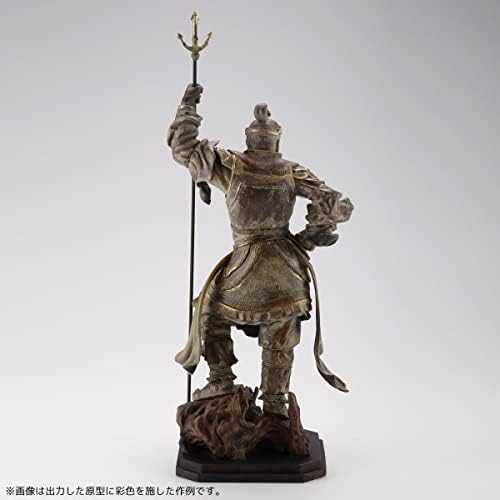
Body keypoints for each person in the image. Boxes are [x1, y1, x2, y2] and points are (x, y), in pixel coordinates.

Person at [167, 84, 353, 418]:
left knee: (208, 311)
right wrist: (310, 236)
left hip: (245, 266)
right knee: (279, 333)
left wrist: (187, 109)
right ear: (276, 141)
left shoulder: (231, 165)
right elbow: (336, 203)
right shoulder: (292, 171)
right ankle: (275, 402)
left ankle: (221, 378)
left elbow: (185, 149)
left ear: (249, 139)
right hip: (288, 268)